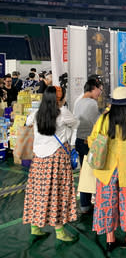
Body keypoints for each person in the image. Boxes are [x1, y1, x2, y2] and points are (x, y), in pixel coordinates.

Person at [89, 87, 126, 253]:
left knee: (107, 204)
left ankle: (110, 240)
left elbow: (92, 141)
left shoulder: (103, 119)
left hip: (106, 171)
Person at [23, 86, 79, 243]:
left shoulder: (36, 114)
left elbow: (27, 122)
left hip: (39, 160)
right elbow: (75, 123)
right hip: (57, 158)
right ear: (59, 99)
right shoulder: (63, 113)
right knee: (57, 193)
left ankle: (35, 227)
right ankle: (60, 231)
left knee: (38, 191)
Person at [73, 78, 103, 214]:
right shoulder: (91, 103)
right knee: (94, 173)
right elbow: (97, 123)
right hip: (88, 142)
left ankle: (85, 205)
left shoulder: (78, 101)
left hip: (80, 140)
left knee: (85, 173)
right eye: (100, 90)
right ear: (94, 88)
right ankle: (96, 203)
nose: (100, 93)